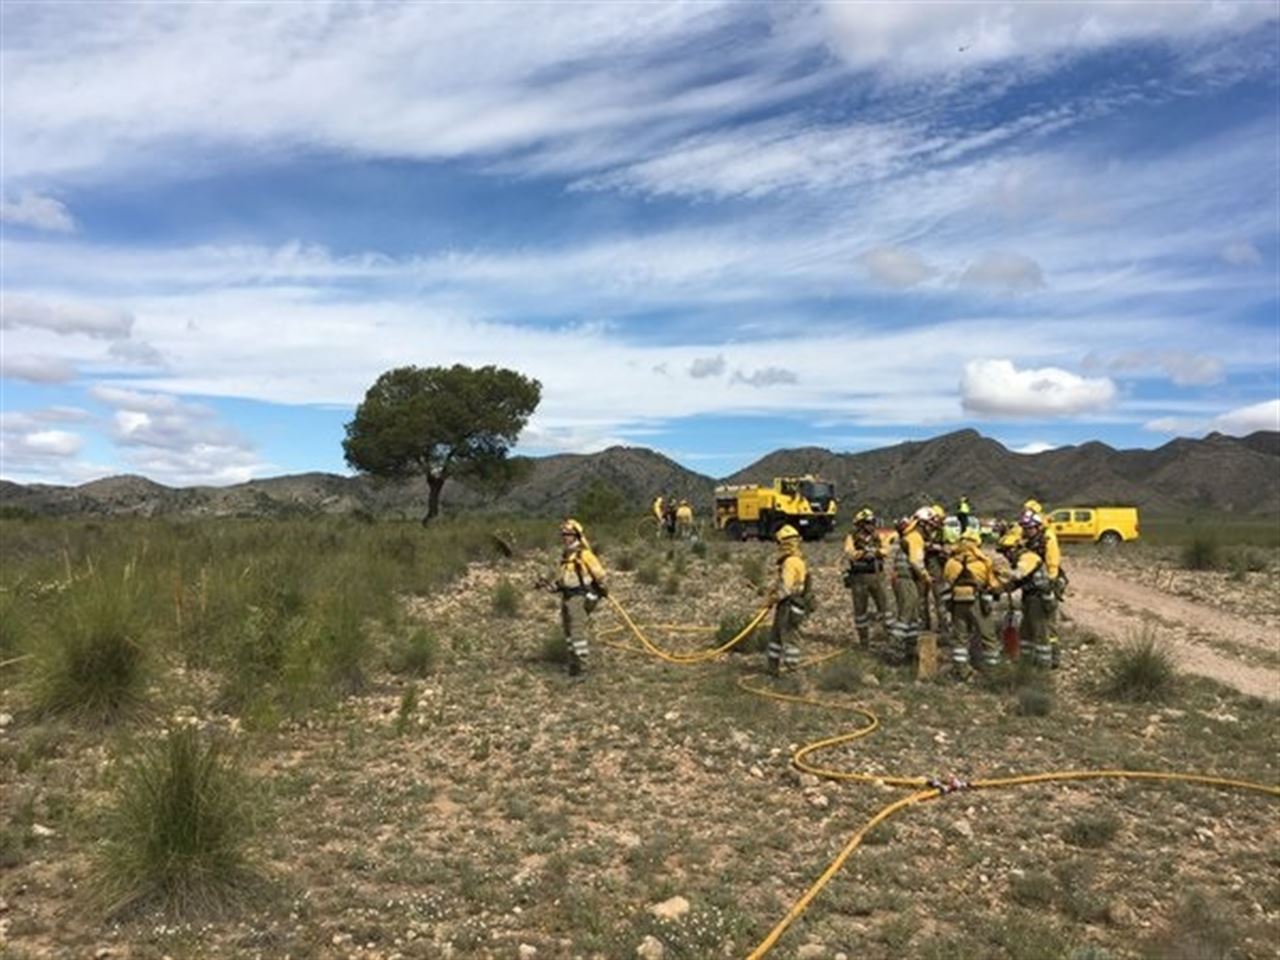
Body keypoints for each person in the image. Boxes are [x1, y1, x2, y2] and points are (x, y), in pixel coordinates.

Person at [545, 518, 608, 677]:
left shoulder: (585, 555)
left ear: (576, 536)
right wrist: (553, 587)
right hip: (567, 597)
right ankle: (574, 666)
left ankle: (583, 668)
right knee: (568, 633)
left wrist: (597, 590)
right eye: (563, 534)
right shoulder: (566, 556)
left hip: (579, 598)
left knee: (577, 633)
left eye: (568, 534)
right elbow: (563, 579)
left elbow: (600, 576)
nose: (565, 537)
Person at [943, 528, 1004, 676]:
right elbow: (993, 585)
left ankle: (961, 670)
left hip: (957, 602)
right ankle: (993, 670)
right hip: (977, 602)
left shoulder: (951, 562)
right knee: (988, 635)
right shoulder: (983, 562)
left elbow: (947, 580)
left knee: (960, 637)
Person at [1003, 522, 1055, 668]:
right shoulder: (1022, 558)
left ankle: (1044, 666)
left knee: (1040, 633)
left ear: (1015, 548)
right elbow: (1017, 583)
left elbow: (1018, 575)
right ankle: (1026, 664)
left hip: (1039, 599)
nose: (1006, 555)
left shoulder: (1027, 558)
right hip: (1030, 598)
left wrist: (999, 572)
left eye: (1007, 551)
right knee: (1026, 633)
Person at [1018, 510, 1063, 667]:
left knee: (1044, 626)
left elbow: (1053, 565)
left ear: (1037, 527)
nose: (1026, 530)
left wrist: (1048, 587)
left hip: (1043, 589)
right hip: (1031, 589)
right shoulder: (1027, 543)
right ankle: (1032, 661)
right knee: (1031, 626)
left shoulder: (1047, 541)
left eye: (1029, 527)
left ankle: (1048, 662)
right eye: (1024, 527)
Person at [843, 507, 889, 649]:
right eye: (868, 523)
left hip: (876, 576)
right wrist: (863, 553)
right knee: (860, 611)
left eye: (872, 522)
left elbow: (886, 550)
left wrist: (875, 552)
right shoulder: (851, 537)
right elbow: (849, 553)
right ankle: (864, 642)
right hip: (859, 578)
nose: (872, 525)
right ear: (861, 524)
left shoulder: (878, 536)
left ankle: (889, 636)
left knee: (884, 607)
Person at [766, 525, 809, 676]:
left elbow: (786, 588)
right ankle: (772, 668)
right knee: (776, 636)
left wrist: (773, 598)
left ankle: (792, 671)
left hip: (788, 605)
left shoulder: (790, 562)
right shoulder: (798, 560)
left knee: (789, 637)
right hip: (792, 604)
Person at [922, 504, 952, 639]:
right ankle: (924, 625)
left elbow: (948, 548)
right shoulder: (922, 531)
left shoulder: (942, 531)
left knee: (940, 598)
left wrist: (937, 548)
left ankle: (943, 626)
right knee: (922, 599)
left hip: (938, 567)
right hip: (923, 567)